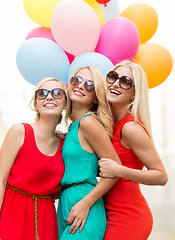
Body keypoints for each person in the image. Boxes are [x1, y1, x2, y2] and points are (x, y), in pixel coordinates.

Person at [98, 60, 168, 240]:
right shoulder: (109, 125)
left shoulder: (130, 128)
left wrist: (118, 170)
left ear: (134, 94)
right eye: (113, 77)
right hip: (107, 213)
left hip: (128, 217)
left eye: (126, 81)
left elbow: (161, 175)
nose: (115, 84)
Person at [57, 66, 121, 240]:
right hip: (66, 201)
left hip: (85, 202)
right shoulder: (73, 127)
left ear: (95, 98)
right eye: (76, 80)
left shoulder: (89, 123)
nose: (80, 86)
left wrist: (86, 203)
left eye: (89, 85)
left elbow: (115, 170)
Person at [0, 77, 67, 240]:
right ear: (36, 104)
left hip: (47, 217)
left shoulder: (65, 145)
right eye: (42, 93)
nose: (49, 97)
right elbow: (0, 180)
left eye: (57, 93)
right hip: (13, 212)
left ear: (66, 104)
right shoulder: (19, 132)